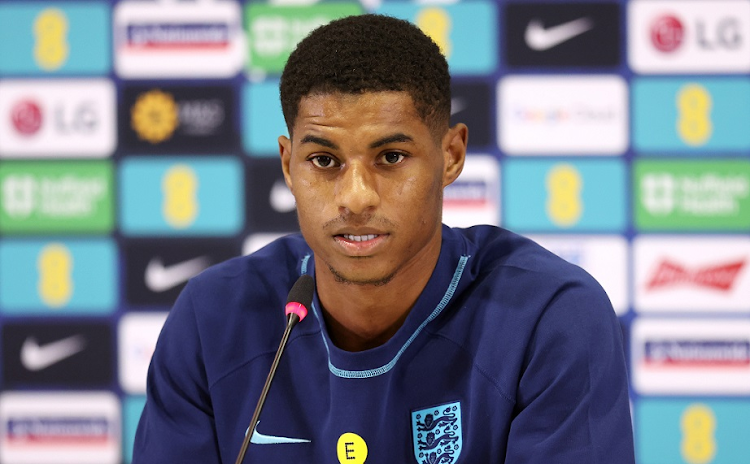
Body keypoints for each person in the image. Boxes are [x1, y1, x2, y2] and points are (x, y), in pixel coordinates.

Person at [133, 14, 635, 464]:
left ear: (452, 156)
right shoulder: (211, 317)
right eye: (324, 161)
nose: (355, 198)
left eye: (391, 157)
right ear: (288, 165)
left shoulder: (552, 318)